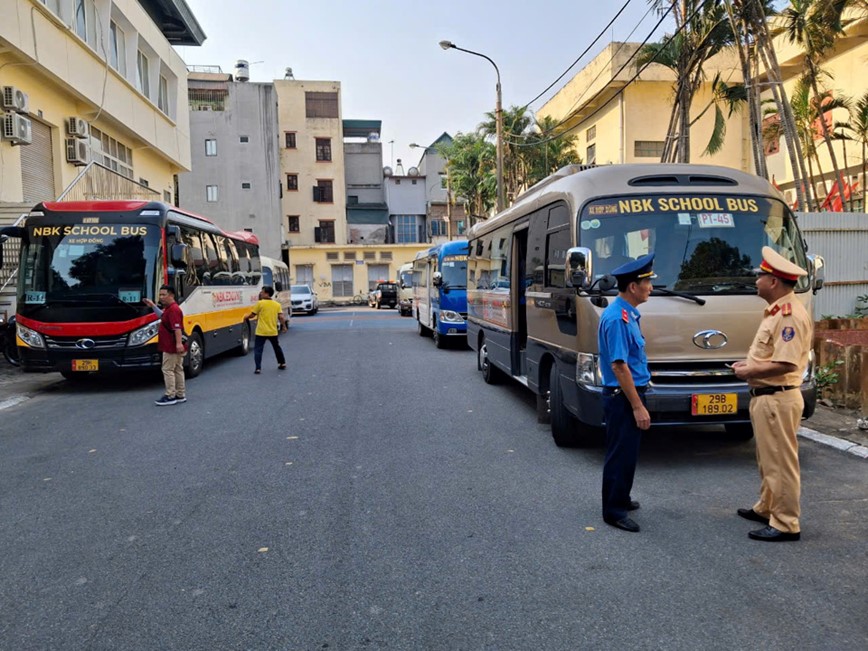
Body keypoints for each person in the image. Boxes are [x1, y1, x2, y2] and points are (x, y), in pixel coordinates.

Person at [732, 247, 812, 543]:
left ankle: (786, 523)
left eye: (761, 276)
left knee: (781, 462)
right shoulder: (777, 312)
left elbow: (787, 363)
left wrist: (749, 371)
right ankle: (767, 507)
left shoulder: (788, 316)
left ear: (774, 282)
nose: (757, 280)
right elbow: (771, 357)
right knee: (768, 458)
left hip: (778, 397)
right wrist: (750, 366)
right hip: (768, 397)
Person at [597, 254, 656, 533]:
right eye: (647, 283)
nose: (651, 288)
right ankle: (613, 510)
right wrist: (637, 406)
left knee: (628, 452)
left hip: (628, 393)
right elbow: (619, 366)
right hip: (622, 396)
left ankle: (621, 496)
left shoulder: (629, 313)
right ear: (633, 287)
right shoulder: (618, 318)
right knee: (620, 453)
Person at [144, 285, 186, 406]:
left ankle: (170, 395)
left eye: (164, 295)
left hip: (170, 345)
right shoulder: (170, 308)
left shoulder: (173, 310)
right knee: (178, 369)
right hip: (172, 344)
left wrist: (178, 344)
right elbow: (162, 317)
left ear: (171, 295)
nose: (161, 297)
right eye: (160, 295)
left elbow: (177, 328)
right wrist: (152, 305)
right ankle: (180, 394)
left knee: (167, 369)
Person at [244, 285, 288, 374]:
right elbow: (281, 317)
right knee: (277, 348)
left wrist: (246, 317)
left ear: (267, 294)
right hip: (272, 331)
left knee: (258, 350)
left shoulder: (260, 303)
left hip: (261, 331)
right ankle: (282, 363)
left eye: (262, 292)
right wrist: (284, 326)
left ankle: (258, 368)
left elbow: (253, 315)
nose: (261, 293)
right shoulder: (277, 305)